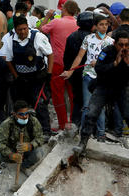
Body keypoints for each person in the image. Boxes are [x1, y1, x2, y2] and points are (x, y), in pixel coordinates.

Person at [74, 30, 129, 160]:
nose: (124, 48)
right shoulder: (107, 51)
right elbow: (98, 69)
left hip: (122, 87)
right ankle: (83, 142)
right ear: (114, 43)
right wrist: (115, 63)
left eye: (126, 44)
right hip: (104, 86)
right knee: (91, 114)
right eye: (121, 44)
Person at [62, 12, 113, 141]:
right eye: (101, 24)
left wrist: (100, 63)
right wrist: (70, 71)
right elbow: (79, 57)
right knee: (86, 106)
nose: (104, 27)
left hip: (103, 78)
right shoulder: (88, 39)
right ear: (95, 26)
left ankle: (100, 133)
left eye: (106, 25)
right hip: (88, 75)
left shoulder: (111, 42)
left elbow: (113, 61)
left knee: (99, 106)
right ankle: (85, 132)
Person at [0, 100, 45, 195]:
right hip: (10, 151)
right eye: (21, 114)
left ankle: (24, 166)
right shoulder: (7, 124)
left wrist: (30, 145)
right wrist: (11, 154)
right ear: (14, 114)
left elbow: (40, 138)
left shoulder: (33, 121)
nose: (25, 116)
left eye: (26, 113)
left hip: (25, 151)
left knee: (39, 153)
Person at [2, 15, 53, 136]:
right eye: (20, 29)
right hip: (21, 79)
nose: (23, 32)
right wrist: (16, 77)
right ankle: (21, 132)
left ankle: (45, 131)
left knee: (39, 104)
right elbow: (8, 60)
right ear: (15, 29)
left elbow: (50, 55)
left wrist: (49, 73)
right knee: (20, 106)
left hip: (37, 77)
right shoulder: (9, 40)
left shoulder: (38, 37)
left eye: (25, 29)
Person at [39, 0, 79, 130]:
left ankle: (62, 124)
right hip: (73, 65)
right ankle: (74, 123)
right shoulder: (78, 23)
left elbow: (40, 31)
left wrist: (47, 17)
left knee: (58, 94)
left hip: (57, 63)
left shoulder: (56, 22)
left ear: (64, 9)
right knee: (73, 95)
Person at [63, 11, 92, 128]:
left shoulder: (71, 37)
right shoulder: (93, 38)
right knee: (89, 101)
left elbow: (66, 57)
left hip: (74, 73)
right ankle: (88, 126)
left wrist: (69, 71)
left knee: (77, 100)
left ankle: (75, 123)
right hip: (90, 73)